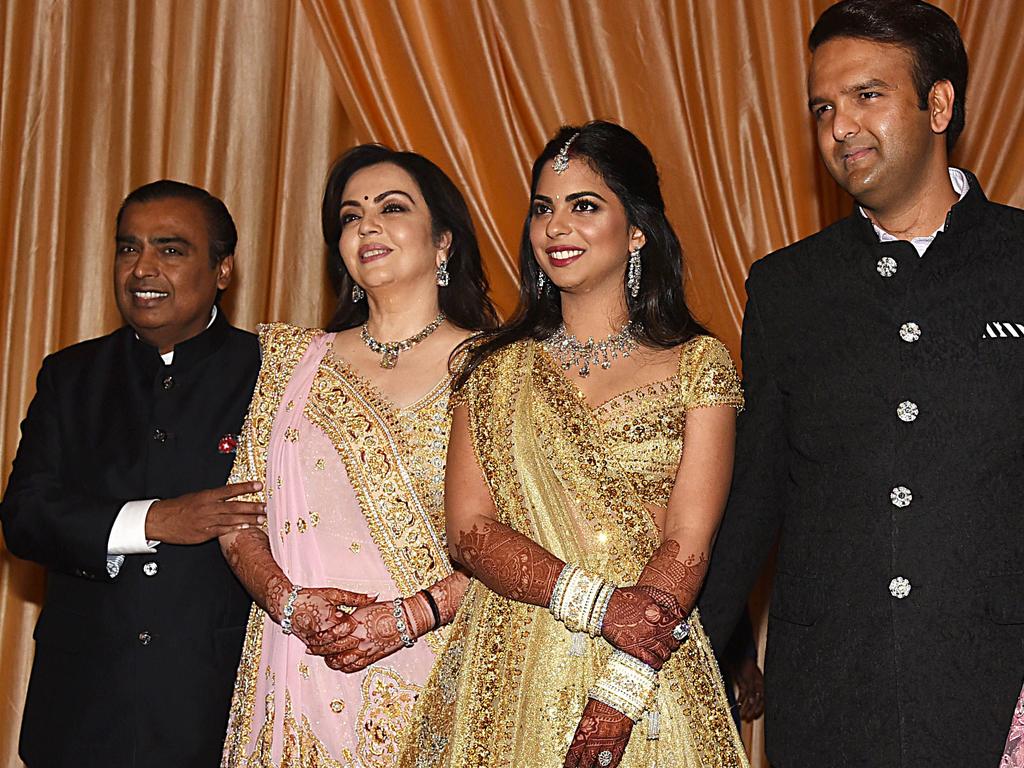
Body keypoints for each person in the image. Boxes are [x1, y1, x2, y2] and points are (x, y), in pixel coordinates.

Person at [696, 1, 1024, 765]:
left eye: (866, 96)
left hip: (997, 699)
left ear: (938, 103)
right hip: (830, 702)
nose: (839, 127)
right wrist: (672, 665)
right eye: (823, 107)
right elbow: (753, 501)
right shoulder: (788, 288)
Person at [400, 121, 747, 768]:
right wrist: (598, 604)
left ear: (636, 229)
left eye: (584, 206)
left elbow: (688, 543)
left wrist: (619, 695)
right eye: (543, 209)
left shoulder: (698, 365)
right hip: (511, 664)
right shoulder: (492, 370)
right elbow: (470, 531)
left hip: (645, 675)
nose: (557, 227)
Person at [219, 144, 498, 767]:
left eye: (391, 208)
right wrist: (288, 602)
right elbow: (241, 516)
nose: (366, 225)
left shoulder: (499, 367)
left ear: (444, 240)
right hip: (300, 672)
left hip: (449, 673)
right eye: (350, 216)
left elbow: (531, 540)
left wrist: (410, 618)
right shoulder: (292, 363)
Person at [0, 180, 263, 767]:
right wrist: (152, 520)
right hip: (83, 714)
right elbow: (25, 516)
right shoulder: (71, 375)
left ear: (223, 269)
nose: (142, 267)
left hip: (218, 710)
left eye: (171, 249)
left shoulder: (271, 373)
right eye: (128, 248)